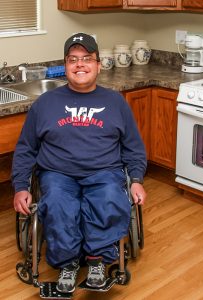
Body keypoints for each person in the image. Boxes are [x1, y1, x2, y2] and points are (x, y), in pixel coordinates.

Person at [12, 32, 147, 293]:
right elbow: (26, 149)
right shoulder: (45, 103)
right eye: (73, 59)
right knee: (59, 203)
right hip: (57, 173)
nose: (80, 64)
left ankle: (97, 261)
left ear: (98, 64)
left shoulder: (115, 102)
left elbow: (133, 147)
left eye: (87, 58)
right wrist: (20, 186)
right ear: (65, 66)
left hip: (104, 171)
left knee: (108, 197)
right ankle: (68, 263)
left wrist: (137, 180)